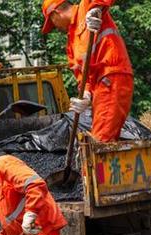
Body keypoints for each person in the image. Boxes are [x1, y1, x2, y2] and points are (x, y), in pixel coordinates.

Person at [41, 0, 133, 142]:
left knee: (101, 140)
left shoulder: (86, 6)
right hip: (100, 87)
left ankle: (98, 164)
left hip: (112, 77)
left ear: (56, 13)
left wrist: (97, 9)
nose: (55, 27)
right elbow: (82, 75)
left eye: (52, 23)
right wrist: (85, 94)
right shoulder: (71, 43)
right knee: (103, 137)